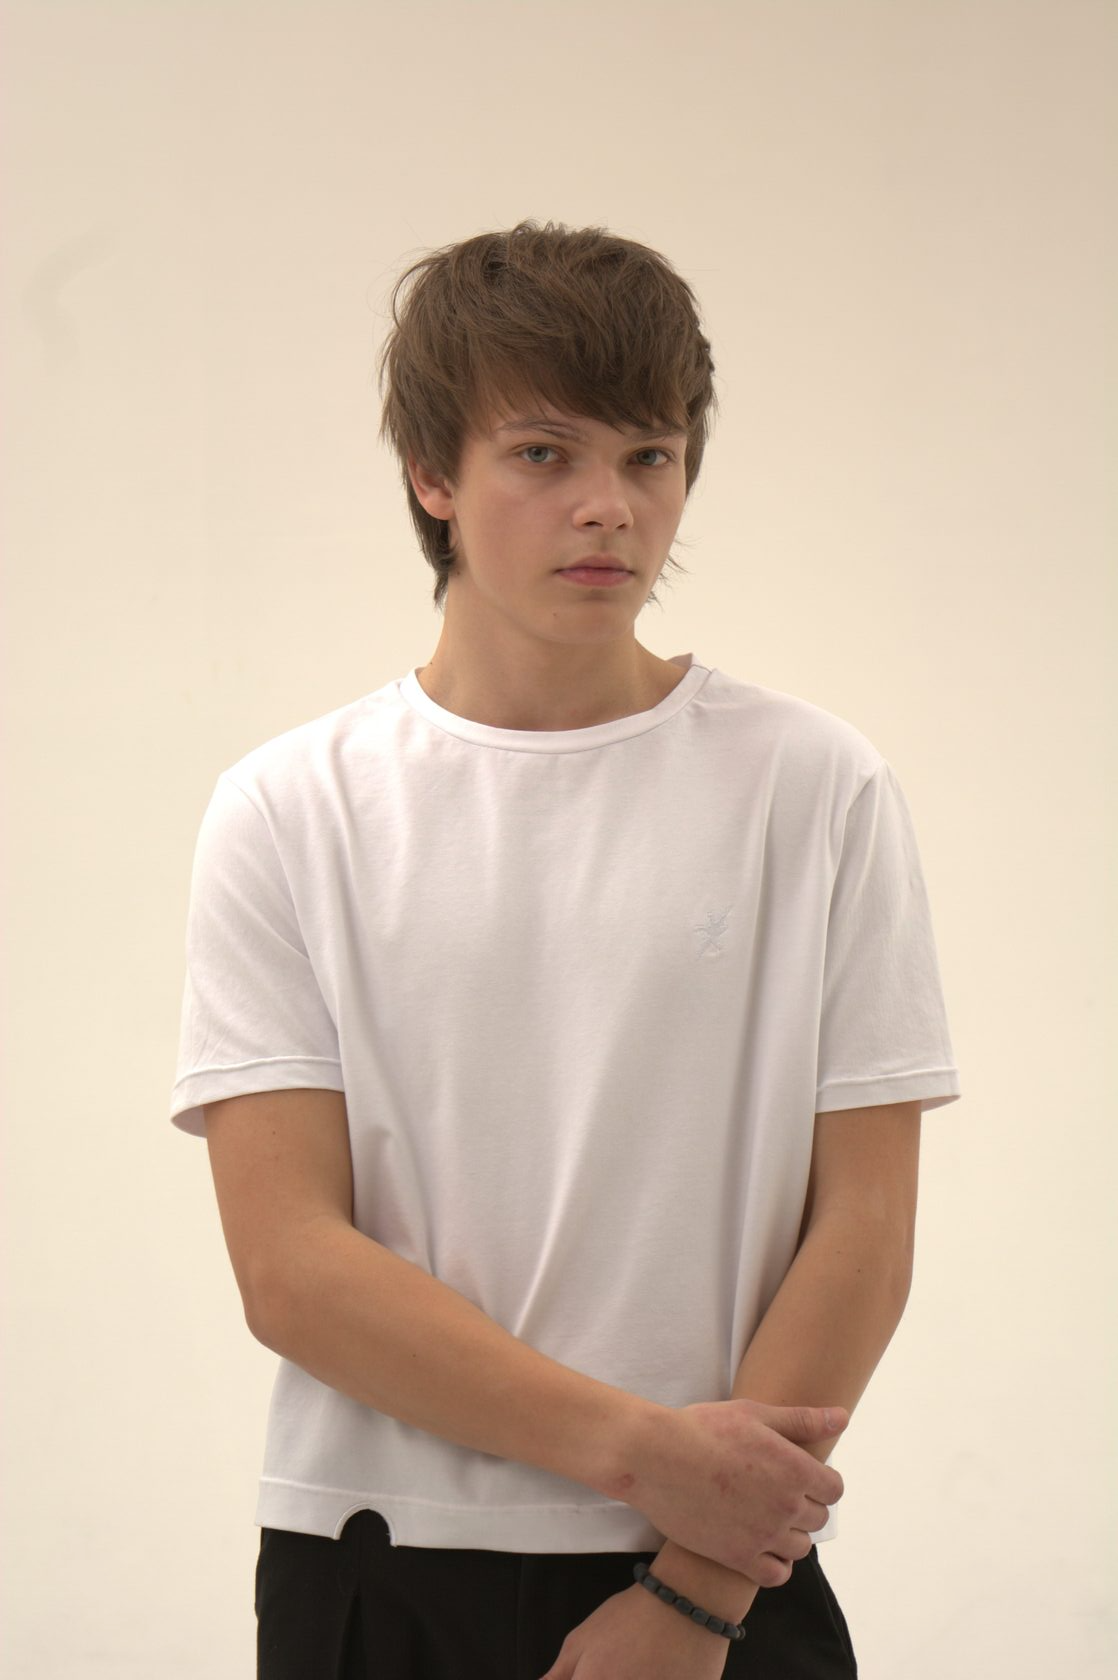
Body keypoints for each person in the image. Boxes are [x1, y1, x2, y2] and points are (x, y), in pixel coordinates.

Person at [170, 219, 961, 1680]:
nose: (608, 507)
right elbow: (289, 1264)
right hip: (378, 1557)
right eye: (543, 454)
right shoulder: (291, 807)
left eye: (649, 456)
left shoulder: (812, 786)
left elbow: (863, 1228)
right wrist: (646, 1455)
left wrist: (695, 1591)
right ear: (433, 475)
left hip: (721, 1571)